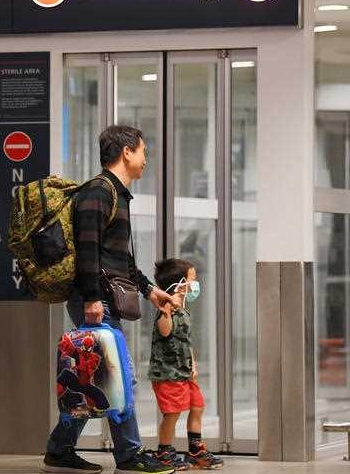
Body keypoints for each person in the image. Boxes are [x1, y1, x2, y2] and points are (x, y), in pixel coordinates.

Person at [42, 125, 181, 474]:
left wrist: (151, 292)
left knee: (103, 377)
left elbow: (122, 261)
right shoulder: (98, 194)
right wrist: (90, 298)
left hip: (103, 297)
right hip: (96, 300)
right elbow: (88, 252)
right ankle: (129, 455)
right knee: (119, 376)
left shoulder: (116, 194)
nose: (146, 159)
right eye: (143, 151)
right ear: (126, 152)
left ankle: (60, 448)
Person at [150, 259, 223, 471]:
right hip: (167, 372)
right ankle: (164, 452)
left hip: (184, 371)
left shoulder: (183, 306)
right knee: (172, 413)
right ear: (180, 283)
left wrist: (193, 364)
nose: (195, 284)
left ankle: (195, 450)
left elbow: (185, 339)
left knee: (197, 405)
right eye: (192, 279)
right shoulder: (167, 306)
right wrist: (166, 309)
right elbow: (165, 331)